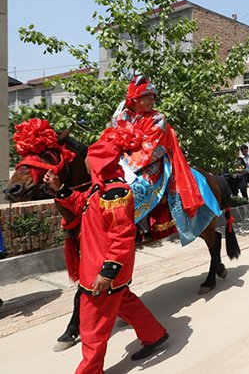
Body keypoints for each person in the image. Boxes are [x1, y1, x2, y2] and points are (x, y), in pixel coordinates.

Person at [44, 125, 169, 373]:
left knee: (92, 328)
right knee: (126, 302)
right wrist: (60, 188)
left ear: (100, 163)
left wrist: (108, 272)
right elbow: (82, 204)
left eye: (90, 160)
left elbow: (122, 236)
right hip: (98, 267)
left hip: (102, 272)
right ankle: (154, 335)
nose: (88, 164)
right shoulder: (99, 189)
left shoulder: (116, 194)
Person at [110, 76, 220, 245]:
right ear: (135, 99)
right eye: (146, 97)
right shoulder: (121, 117)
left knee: (139, 186)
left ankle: (140, 227)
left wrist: (127, 157)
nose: (151, 101)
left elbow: (151, 149)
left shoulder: (157, 119)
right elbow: (111, 137)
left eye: (152, 97)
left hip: (149, 163)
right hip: (120, 160)